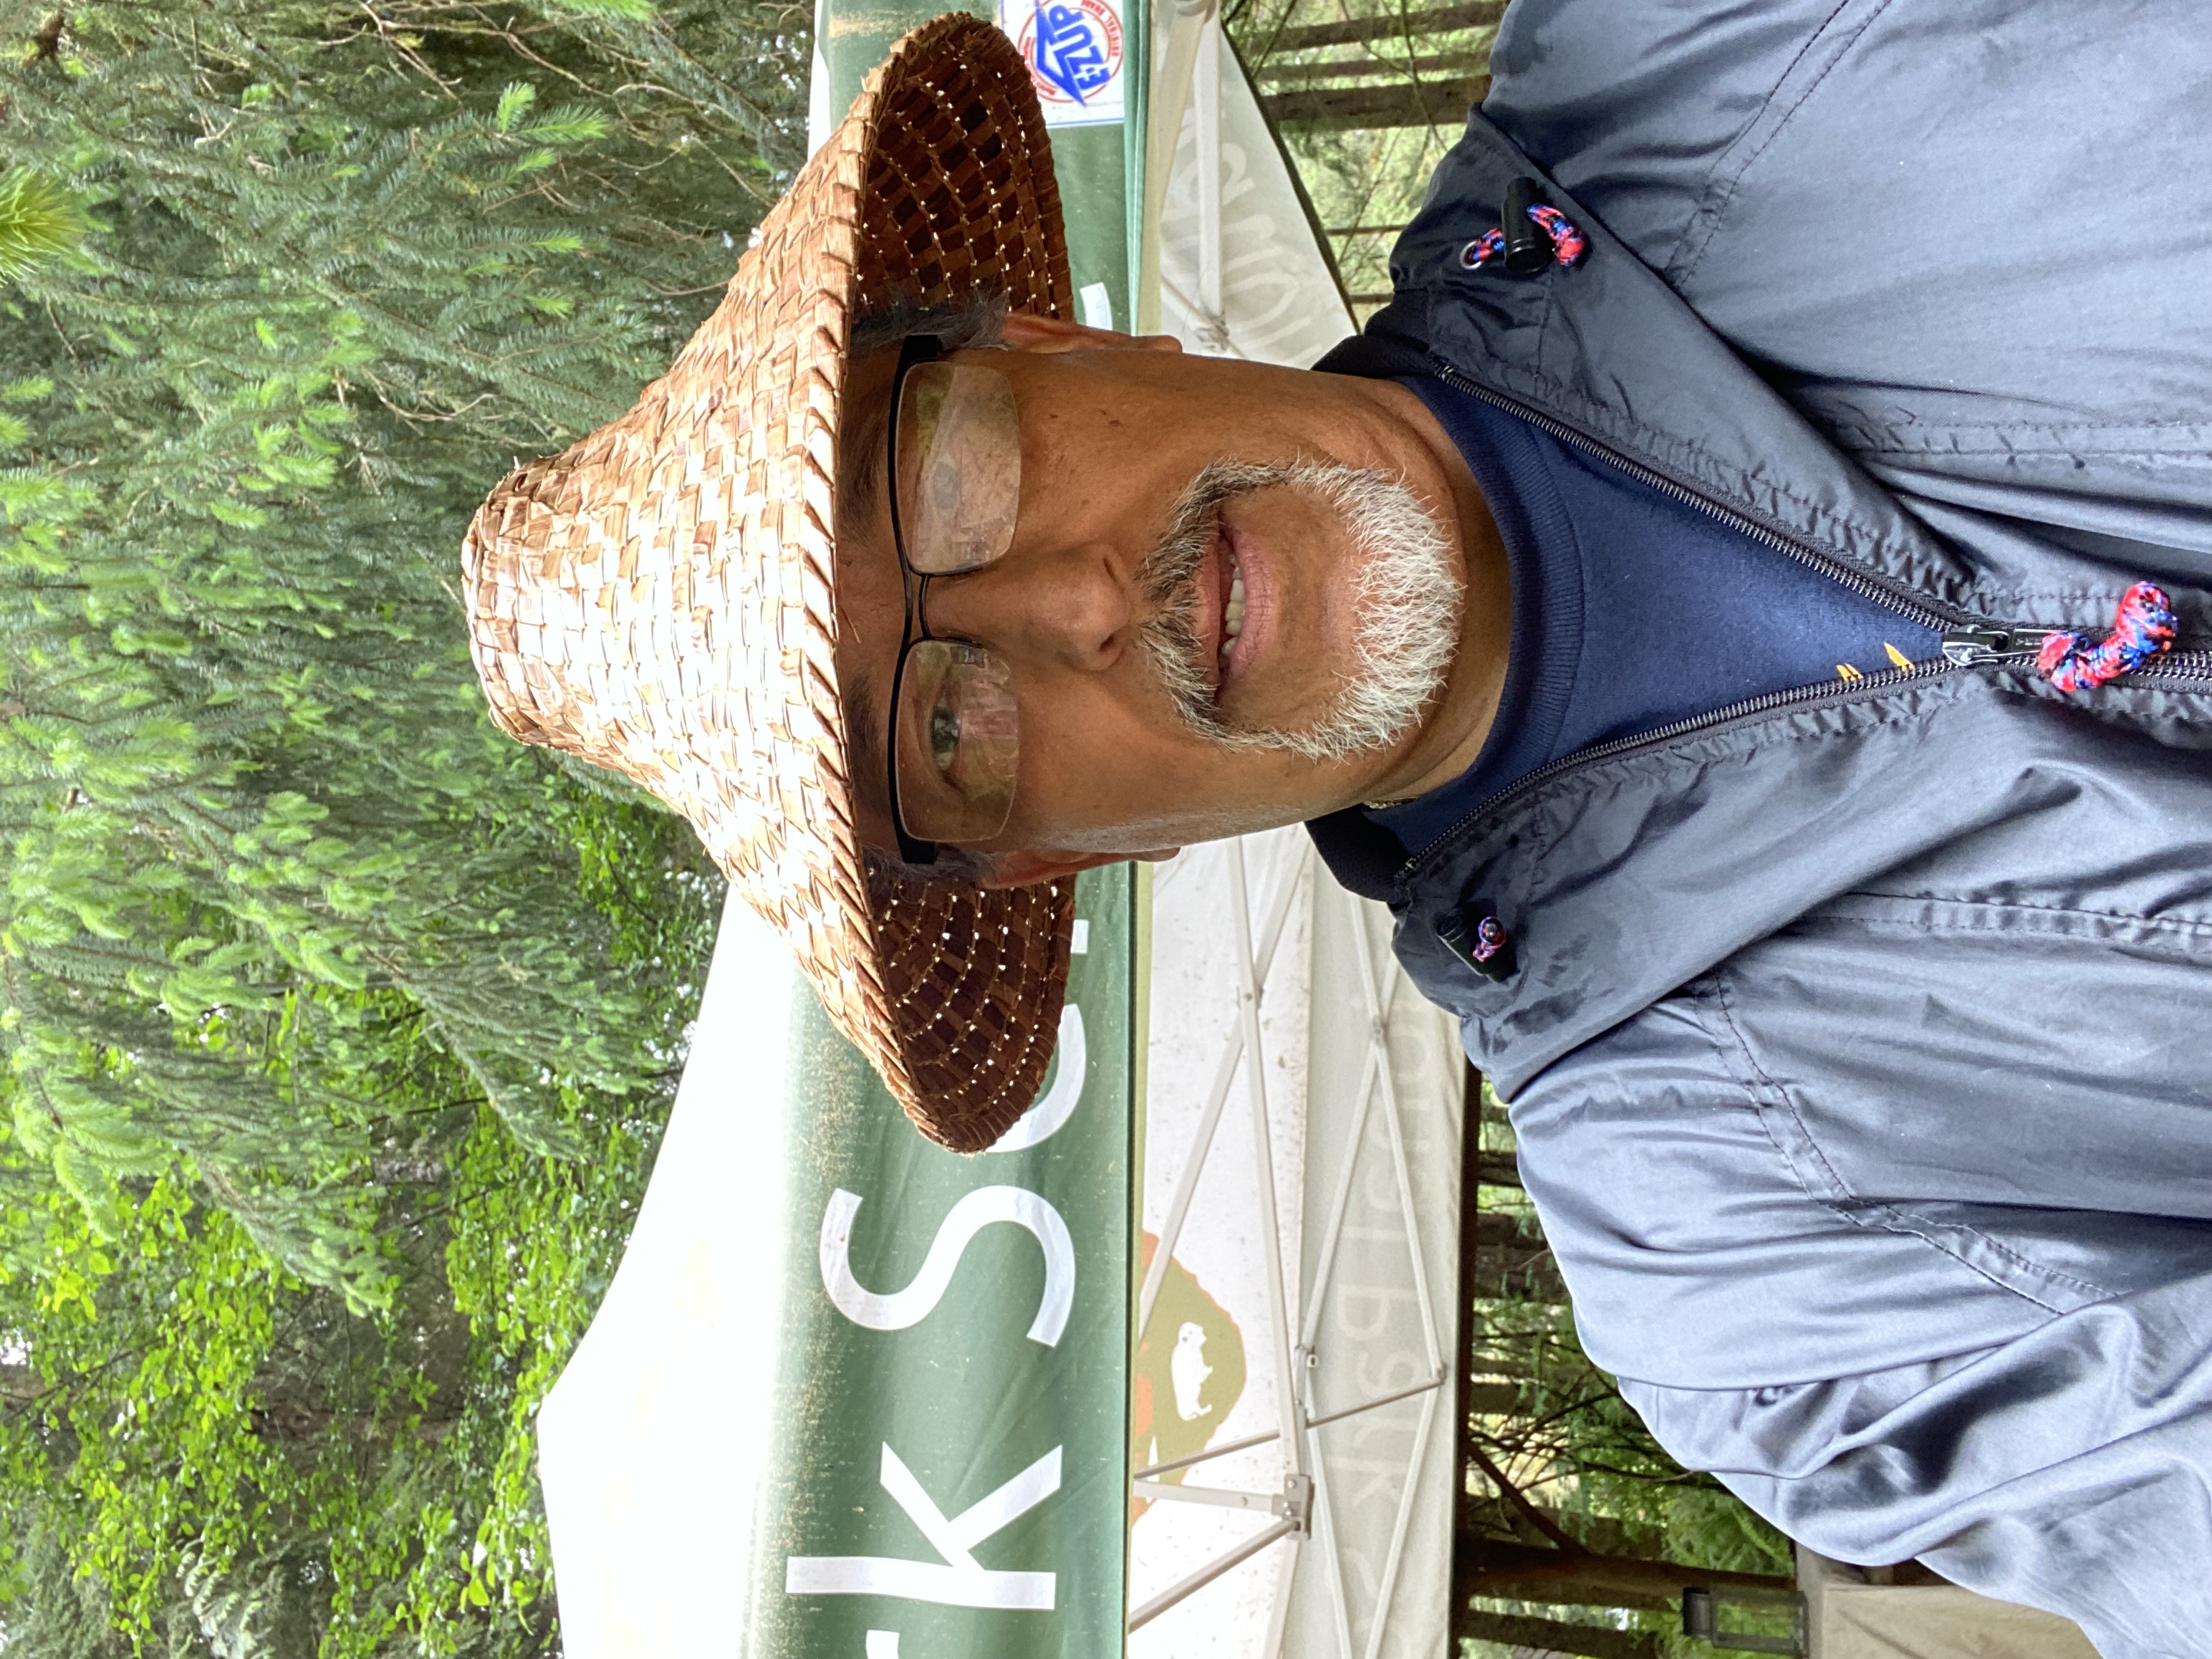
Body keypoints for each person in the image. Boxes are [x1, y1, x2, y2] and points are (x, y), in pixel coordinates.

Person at [458, 6, 2212, 1653]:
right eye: (947, 722)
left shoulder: (1698, 47)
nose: (1069, 605)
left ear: (1054, 333)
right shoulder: (1745, 1269)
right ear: (1059, 864)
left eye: (951, 478)